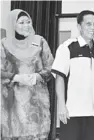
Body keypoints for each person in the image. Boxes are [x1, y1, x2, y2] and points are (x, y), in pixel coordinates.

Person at [51, 10, 94, 140]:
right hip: (73, 111)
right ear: (79, 26)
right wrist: (61, 105)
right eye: (88, 24)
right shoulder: (67, 47)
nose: (93, 28)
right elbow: (59, 77)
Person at [1, 9, 54, 140]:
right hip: (12, 102)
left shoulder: (40, 41)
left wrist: (38, 76)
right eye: (21, 22)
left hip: (37, 99)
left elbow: (52, 66)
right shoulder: (3, 44)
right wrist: (15, 77)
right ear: (13, 24)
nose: (26, 25)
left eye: (28, 22)